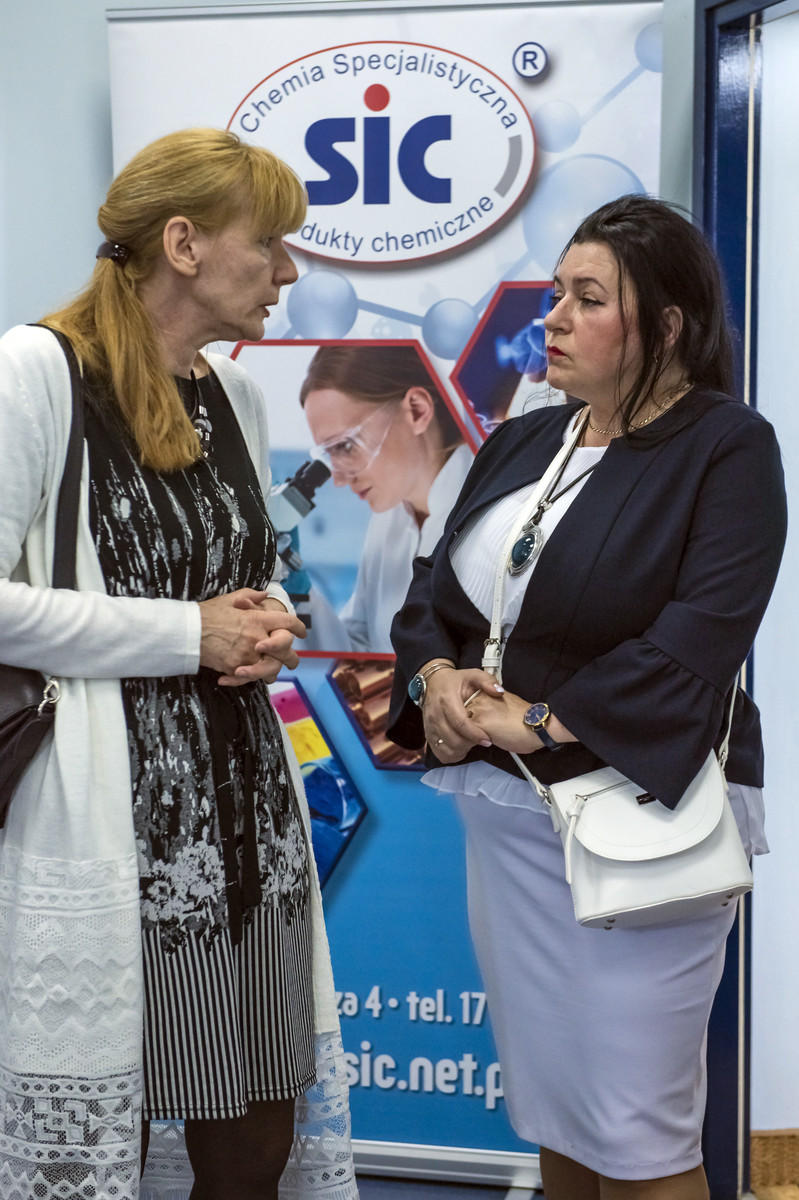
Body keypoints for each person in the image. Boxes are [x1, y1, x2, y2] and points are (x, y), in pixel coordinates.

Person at [387, 195, 786, 1200]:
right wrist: (435, 681)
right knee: (557, 1115)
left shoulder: (727, 446)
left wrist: (535, 720)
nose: (553, 317)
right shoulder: (525, 439)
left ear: (666, 325)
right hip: (508, 827)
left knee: (639, 1134)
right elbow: (432, 593)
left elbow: (699, 636)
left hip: (637, 830)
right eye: (555, 292)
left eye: (587, 298)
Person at [0, 128, 357, 1200]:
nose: (288, 272)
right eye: (272, 244)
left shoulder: (235, 397)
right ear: (185, 244)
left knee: (255, 1136)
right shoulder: (38, 372)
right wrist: (186, 634)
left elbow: (248, 573)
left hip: (246, 823)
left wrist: (266, 618)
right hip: (108, 821)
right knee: (100, 1133)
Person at [299, 344, 473, 652]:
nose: (338, 479)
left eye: (346, 446)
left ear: (417, 410)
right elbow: (361, 653)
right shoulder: (389, 517)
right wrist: (298, 596)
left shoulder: (484, 506)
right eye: (329, 454)